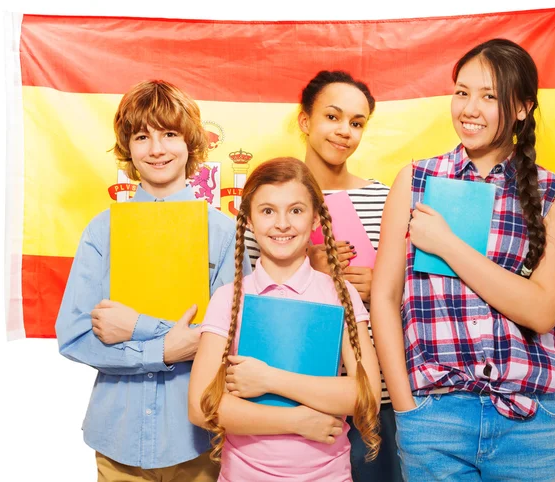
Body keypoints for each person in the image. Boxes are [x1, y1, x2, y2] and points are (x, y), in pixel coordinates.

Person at [371, 38, 555, 481]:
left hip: (530, 424)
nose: (469, 108)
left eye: (489, 96)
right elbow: (383, 298)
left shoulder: (554, 194)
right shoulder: (415, 179)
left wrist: (447, 244)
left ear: (522, 108)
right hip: (435, 419)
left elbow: (542, 312)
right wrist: (407, 408)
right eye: (462, 92)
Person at [55, 79, 251, 481]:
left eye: (169, 134)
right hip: (117, 436)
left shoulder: (225, 232)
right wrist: (166, 348)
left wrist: (139, 329)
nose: (156, 149)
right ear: (128, 148)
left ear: (191, 143)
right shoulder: (102, 230)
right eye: (142, 136)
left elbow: (234, 334)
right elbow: (73, 335)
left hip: (196, 439)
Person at [244, 70, 401, 481]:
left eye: (356, 122)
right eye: (332, 116)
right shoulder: (270, 199)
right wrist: (307, 268)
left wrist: (381, 287)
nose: (344, 131)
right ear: (304, 121)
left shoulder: (384, 197)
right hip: (283, 394)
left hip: (375, 395)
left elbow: (412, 297)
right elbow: (242, 303)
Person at [189, 157, 382, 482]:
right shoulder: (229, 298)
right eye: (267, 211)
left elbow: (367, 397)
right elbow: (200, 407)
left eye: (296, 210)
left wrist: (269, 380)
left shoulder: (340, 293)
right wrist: (297, 421)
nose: (282, 224)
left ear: (316, 219)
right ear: (248, 219)